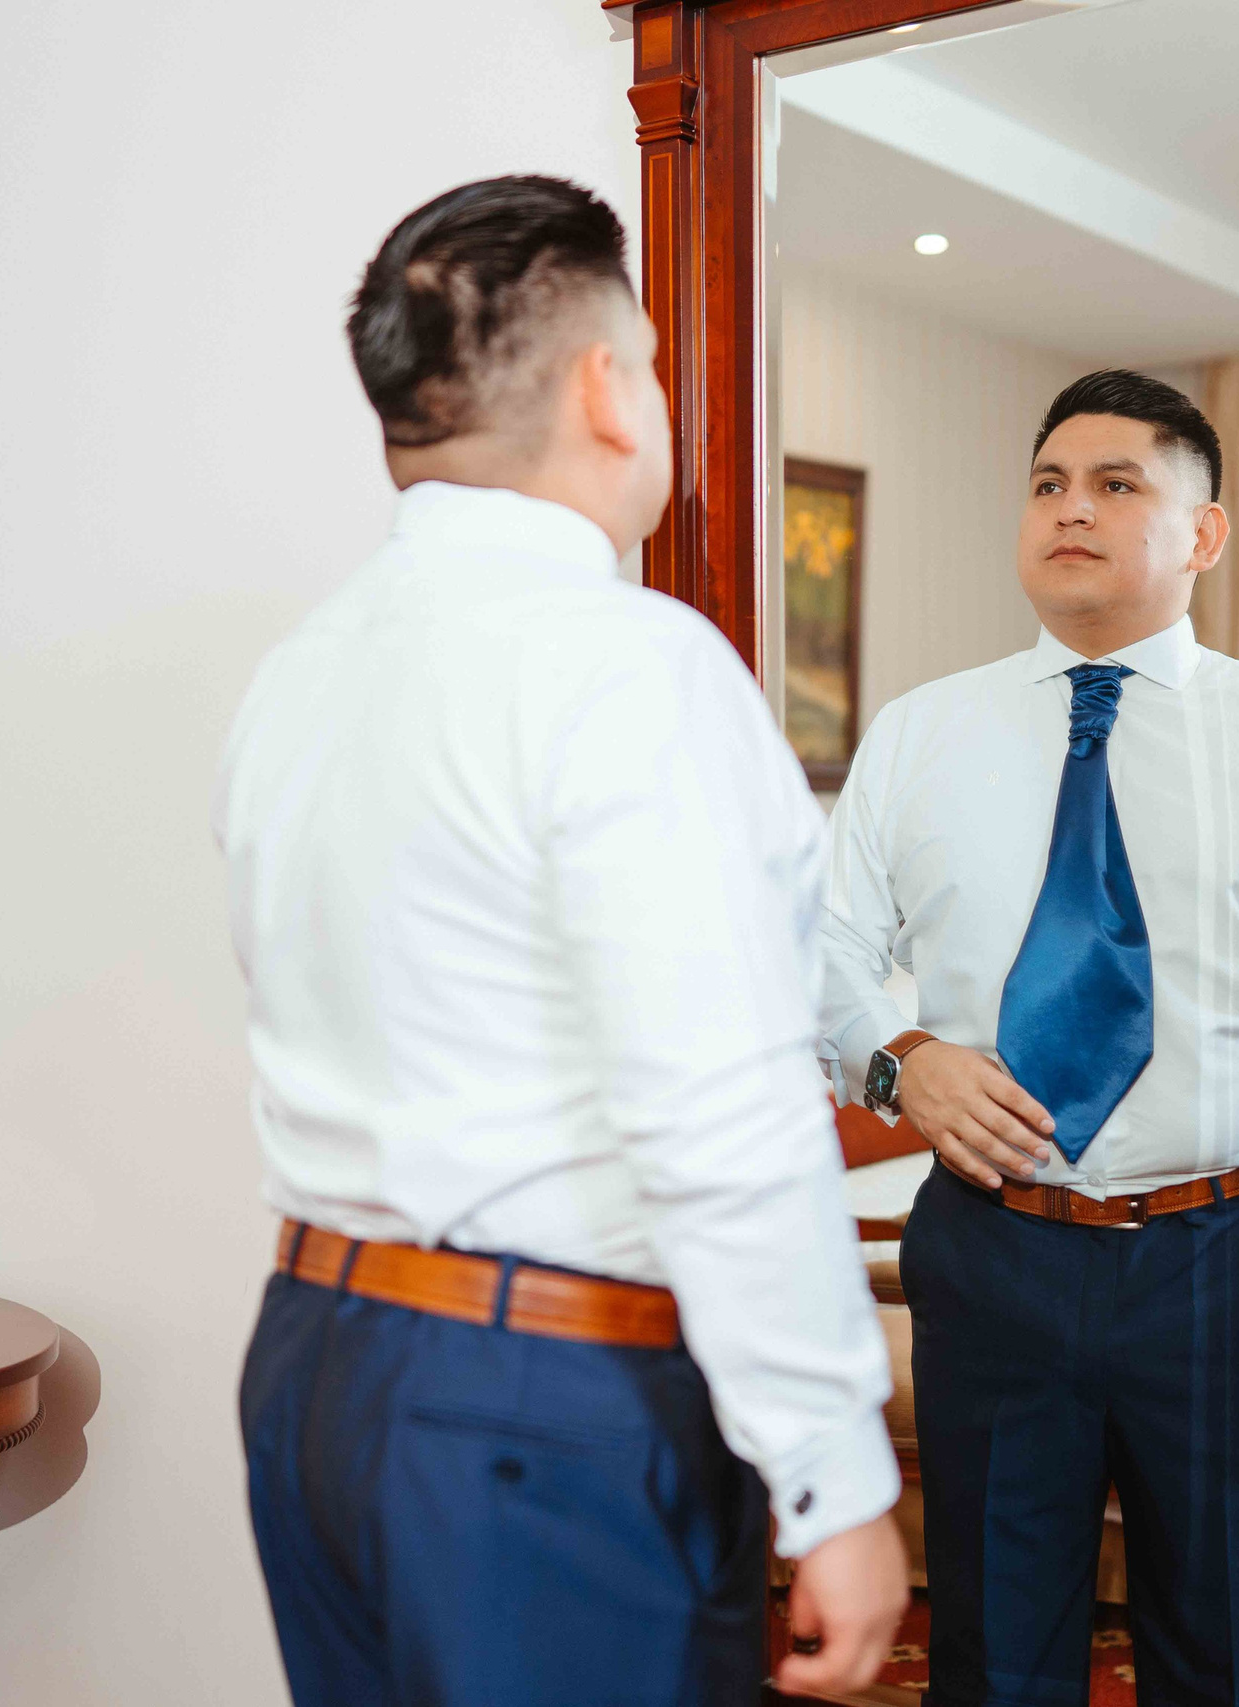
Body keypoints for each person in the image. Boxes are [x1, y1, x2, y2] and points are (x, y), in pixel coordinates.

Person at [216, 175, 908, 1707]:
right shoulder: (629, 666)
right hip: (536, 1402)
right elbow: (715, 1100)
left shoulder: (304, 671)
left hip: (316, 1367)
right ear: (607, 388)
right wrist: (837, 1478)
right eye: (653, 363)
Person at [818, 370, 1239, 1706]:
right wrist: (900, 1060)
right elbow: (822, 955)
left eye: (1116, 483)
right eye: (1047, 484)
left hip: (1231, 1262)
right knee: (994, 1657)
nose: (1068, 509)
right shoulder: (922, 733)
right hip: (995, 1253)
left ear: (1206, 535)